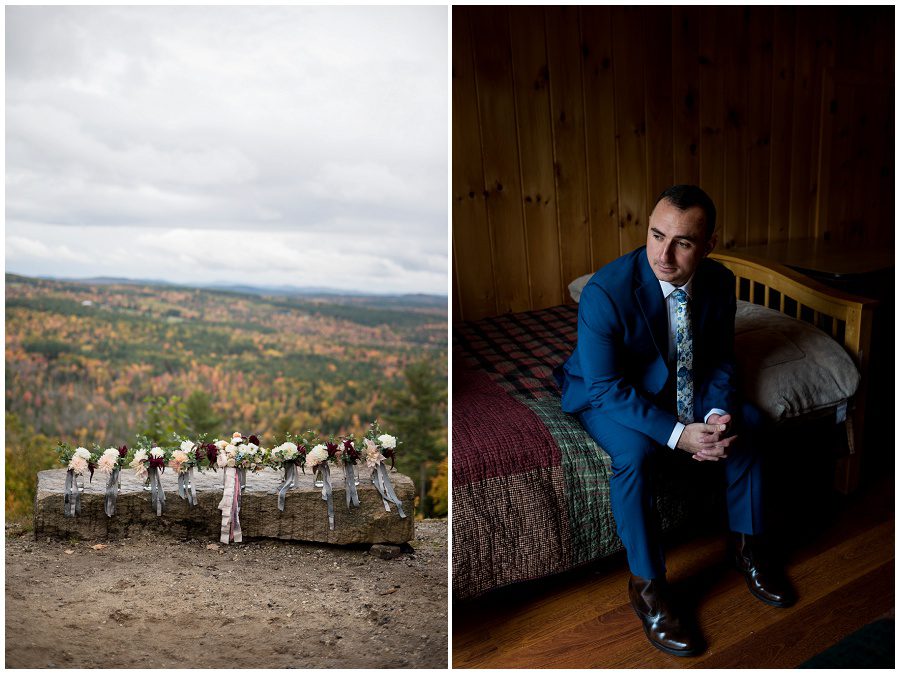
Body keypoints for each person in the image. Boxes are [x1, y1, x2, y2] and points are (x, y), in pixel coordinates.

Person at [557, 184, 794, 657]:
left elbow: (721, 360)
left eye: (683, 242)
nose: (663, 255)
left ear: (708, 244)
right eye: (656, 235)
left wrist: (714, 415)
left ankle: (748, 550)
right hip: (609, 392)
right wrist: (678, 435)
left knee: (745, 425)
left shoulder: (721, 282)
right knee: (636, 454)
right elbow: (607, 388)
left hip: (679, 386)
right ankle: (648, 590)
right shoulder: (605, 291)